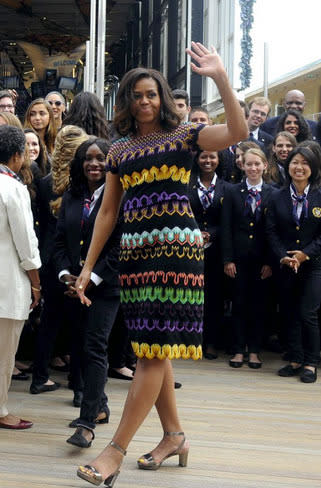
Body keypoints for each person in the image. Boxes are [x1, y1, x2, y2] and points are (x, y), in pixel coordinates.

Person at [75, 42, 247, 486]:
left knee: (151, 352)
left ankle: (114, 451)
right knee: (155, 348)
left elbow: (238, 131)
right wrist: (87, 267)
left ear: (163, 98)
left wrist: (221, 77)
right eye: (137, 95)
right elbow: (108, 214)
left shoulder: (186, 136)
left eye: (152, 94)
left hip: (177, 254)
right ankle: (174, 435)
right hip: (134, 256)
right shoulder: (119, 151)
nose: (145, 101)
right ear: (127, 102)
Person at [53, 138, 121, 447]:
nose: (94, 163)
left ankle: (86, 422)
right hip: (73, 286)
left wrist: (91, 277)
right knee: (81, 345)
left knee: (95, 347)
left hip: (105, 287)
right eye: (88, 158)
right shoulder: (72, 195)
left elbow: (121, 247)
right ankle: (101, 407)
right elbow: (58, 241)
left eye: (100, 158)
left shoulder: (120, 195)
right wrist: (67, 275)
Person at [30, 125, 89, 396]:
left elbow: (42, 228)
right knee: (79, 324)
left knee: (49, 322)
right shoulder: (82, 186)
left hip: (50, 258)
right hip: (76, 259)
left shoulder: (44, 183)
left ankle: (40, 377)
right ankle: (78, 384)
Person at [266, 146, 321, 383]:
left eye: (304, 163)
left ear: (313, 168)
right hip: (286, 264)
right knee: (289, 313)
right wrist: (283, 256)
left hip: (313, 264)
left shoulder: (319, 195)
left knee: (308, 313)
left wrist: (304, 254)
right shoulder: (277, 196)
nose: (299, 167)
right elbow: (270, 231)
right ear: (288, 167)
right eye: (294, 162)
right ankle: (295, 358)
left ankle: (311, 362)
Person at [0, 125, 41, 429]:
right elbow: (26, 243)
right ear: (17, 155)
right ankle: (0, 410)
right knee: (4, 353)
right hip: (7, 284)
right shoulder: (13, 188)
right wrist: (36, 282)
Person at [221, 148, 273, 368]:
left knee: (258, 305)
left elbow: (275, 231)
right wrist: (227, 259)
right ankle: (238, 349)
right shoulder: (233, 191)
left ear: (265, 166)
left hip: (262, 260)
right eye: (249, 164)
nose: (253, 168)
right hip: (239, 258)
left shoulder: (274, 192)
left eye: (257, 164)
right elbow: (226, 227)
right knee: (239, 303)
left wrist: (271, 261)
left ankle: (254, 350)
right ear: (242, 166)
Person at [189, 150, 228, 359]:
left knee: (214, 298)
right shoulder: (186, 185)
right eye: (204, 157)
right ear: (197, 159)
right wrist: (196, 233)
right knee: (191, 297)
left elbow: (228, 221)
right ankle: (192, 341)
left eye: (212, 157)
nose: (208, 161)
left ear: (219, 160)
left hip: (216, 251)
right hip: (189, 250)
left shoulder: (226, 188)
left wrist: (211, 234)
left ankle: (211, 342)